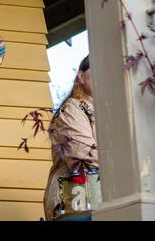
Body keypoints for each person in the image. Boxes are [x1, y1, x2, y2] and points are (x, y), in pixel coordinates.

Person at [43, 55, 98, 221]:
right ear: (81, 76)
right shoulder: (72, 109)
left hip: (100, 198)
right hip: (75, 201)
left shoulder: (108, 111)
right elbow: (84, 157)